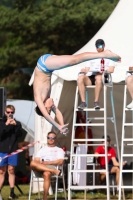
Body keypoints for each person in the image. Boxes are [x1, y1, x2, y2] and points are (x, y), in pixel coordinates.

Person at [33, 50, 121, 134]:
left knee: (74, 60)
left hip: (43, 65)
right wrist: (62, 125)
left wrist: (57, 126)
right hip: (48, 67)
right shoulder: (46, 99)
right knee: (73, 59)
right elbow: (58, 113)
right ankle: (104, 55)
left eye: (49, 109)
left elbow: (46, 116)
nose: (52, 106)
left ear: (43, 107)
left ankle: (104, 54)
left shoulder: (38, 99)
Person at [77, 39, 116, 110]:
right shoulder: (92, 56)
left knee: (98, 77)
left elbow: (111, 69)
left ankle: (96, 101)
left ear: (104, 46)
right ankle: (83, 102)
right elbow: (87, 68)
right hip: (92, 76)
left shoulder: (109, 56)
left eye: (100, 46)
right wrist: (84, 70)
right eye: (97, 46)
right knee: (80, 78)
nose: (99, 48)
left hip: (103, 77)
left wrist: (104, 71)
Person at [30, 131, 65, 200]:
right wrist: (40, 162)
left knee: (46, 174)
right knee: (32, 163)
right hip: (40, 167)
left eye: (53, 138)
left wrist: (48, 162)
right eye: (49, 137)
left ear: (56, 139)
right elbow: (36, 160)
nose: (50, 139)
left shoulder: (59, 150)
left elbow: (60, 161)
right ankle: (53, 171)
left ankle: (45, 197)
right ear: (47, 138)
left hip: (51, 165)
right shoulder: (42, 150)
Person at [0, 105, 23, 199]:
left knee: (11, 170)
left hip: (13, 150)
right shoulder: (1, 122)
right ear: (5, 112)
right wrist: (6, 124)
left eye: (12, 112)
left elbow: (20, 134)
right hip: (2, 150)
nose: (10, 114)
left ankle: (12, 192)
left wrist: (15, 125)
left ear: (14, 113)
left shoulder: (17, 123)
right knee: (1, 171)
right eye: (8, 112)